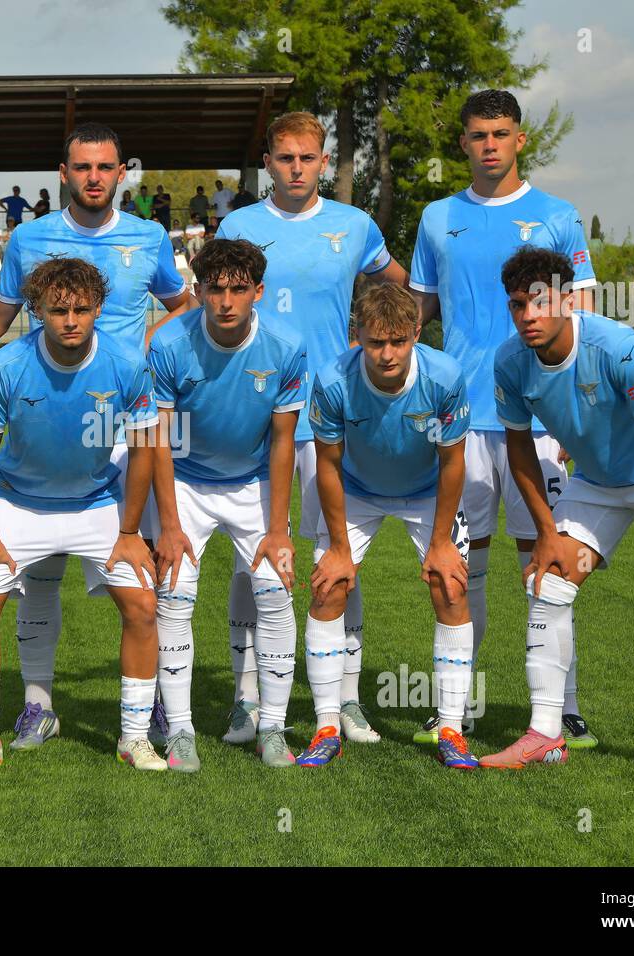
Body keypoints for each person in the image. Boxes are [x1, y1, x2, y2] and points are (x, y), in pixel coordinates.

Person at [0, 121, 193, 749]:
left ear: (120, 173)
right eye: (82, 168)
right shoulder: (29, 238)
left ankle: (155, 705)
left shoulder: (150, 236)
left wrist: (149, 347)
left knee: (145, 570)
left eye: (105, 168)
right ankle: (39, 706)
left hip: (128, 418)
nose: (94, 178)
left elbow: (180, 302)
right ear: (64, 172)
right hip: (47, 413)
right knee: (41, 574)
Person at [482, 246, 634, 787]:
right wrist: (544, 533)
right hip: (597, 483)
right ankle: (545, 732)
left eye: (540, 303)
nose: (529, 316)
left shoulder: (616, 346)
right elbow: (519, 450)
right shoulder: (510, 362)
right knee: (548, 582)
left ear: (567, 299)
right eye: (518, 305)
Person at [409, 89, 599, 747]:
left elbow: (584, 324)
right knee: (461, 568)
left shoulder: (558, 217)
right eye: (478, 135)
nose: (489, 144)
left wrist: (578, 419)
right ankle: (452, 711)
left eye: (501, 133)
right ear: (462, 144)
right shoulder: (436, 219)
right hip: (459, 422)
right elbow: (417, 315)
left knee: (547, 564)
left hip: (540, 423)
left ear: (521, 140)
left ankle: (562, 710)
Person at [215, 111, 409, 753]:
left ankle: (346, 697)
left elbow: (398, 286)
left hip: (330, 416)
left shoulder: (355, 226)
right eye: (285, 157)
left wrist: (388, 332)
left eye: (308, 157)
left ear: (323, 162)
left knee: (336, 557)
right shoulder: (239, 226)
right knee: (253, 560)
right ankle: (246, 701)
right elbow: (215, 297)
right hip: (259, 412)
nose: (296, 168)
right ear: (268, 161)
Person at [0, 256, 163, 775]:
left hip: (96, 501)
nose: (70, 320)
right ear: (37, 311)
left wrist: (129, 532)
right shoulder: (7, 364)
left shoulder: (125, 362)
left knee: (142, 604)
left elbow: (143, 448)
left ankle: (135, 738)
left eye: (80, 309)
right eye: (57, 310)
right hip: (17, 501)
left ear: (98, 308)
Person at [148, 238, 305, 772]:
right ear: (199, 291)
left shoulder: (286, 347)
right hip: (186, 484)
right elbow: (158, 439)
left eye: (240, 290)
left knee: (275, 593)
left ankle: (274, 729)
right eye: (215, 289)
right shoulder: (169, 344)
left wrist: (279, 528)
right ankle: (181, 732)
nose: (227, 301)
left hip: (253, 483)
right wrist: (169, 524)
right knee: (173, 598)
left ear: (258, 292)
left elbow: (283, 440)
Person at [307, 282, 477, 770]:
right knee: (328, 587)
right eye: (375, 342)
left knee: (451, 586)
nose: (386, 354)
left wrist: (442, 542)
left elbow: (452, 464)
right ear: (355, 333)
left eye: (398, 341)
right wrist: (339, 547)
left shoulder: (444, 377)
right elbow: (328, 466)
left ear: (417, 333)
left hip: (426, 491)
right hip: (357, 490)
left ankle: (451, 729)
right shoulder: (333, 380)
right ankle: (325, 727)